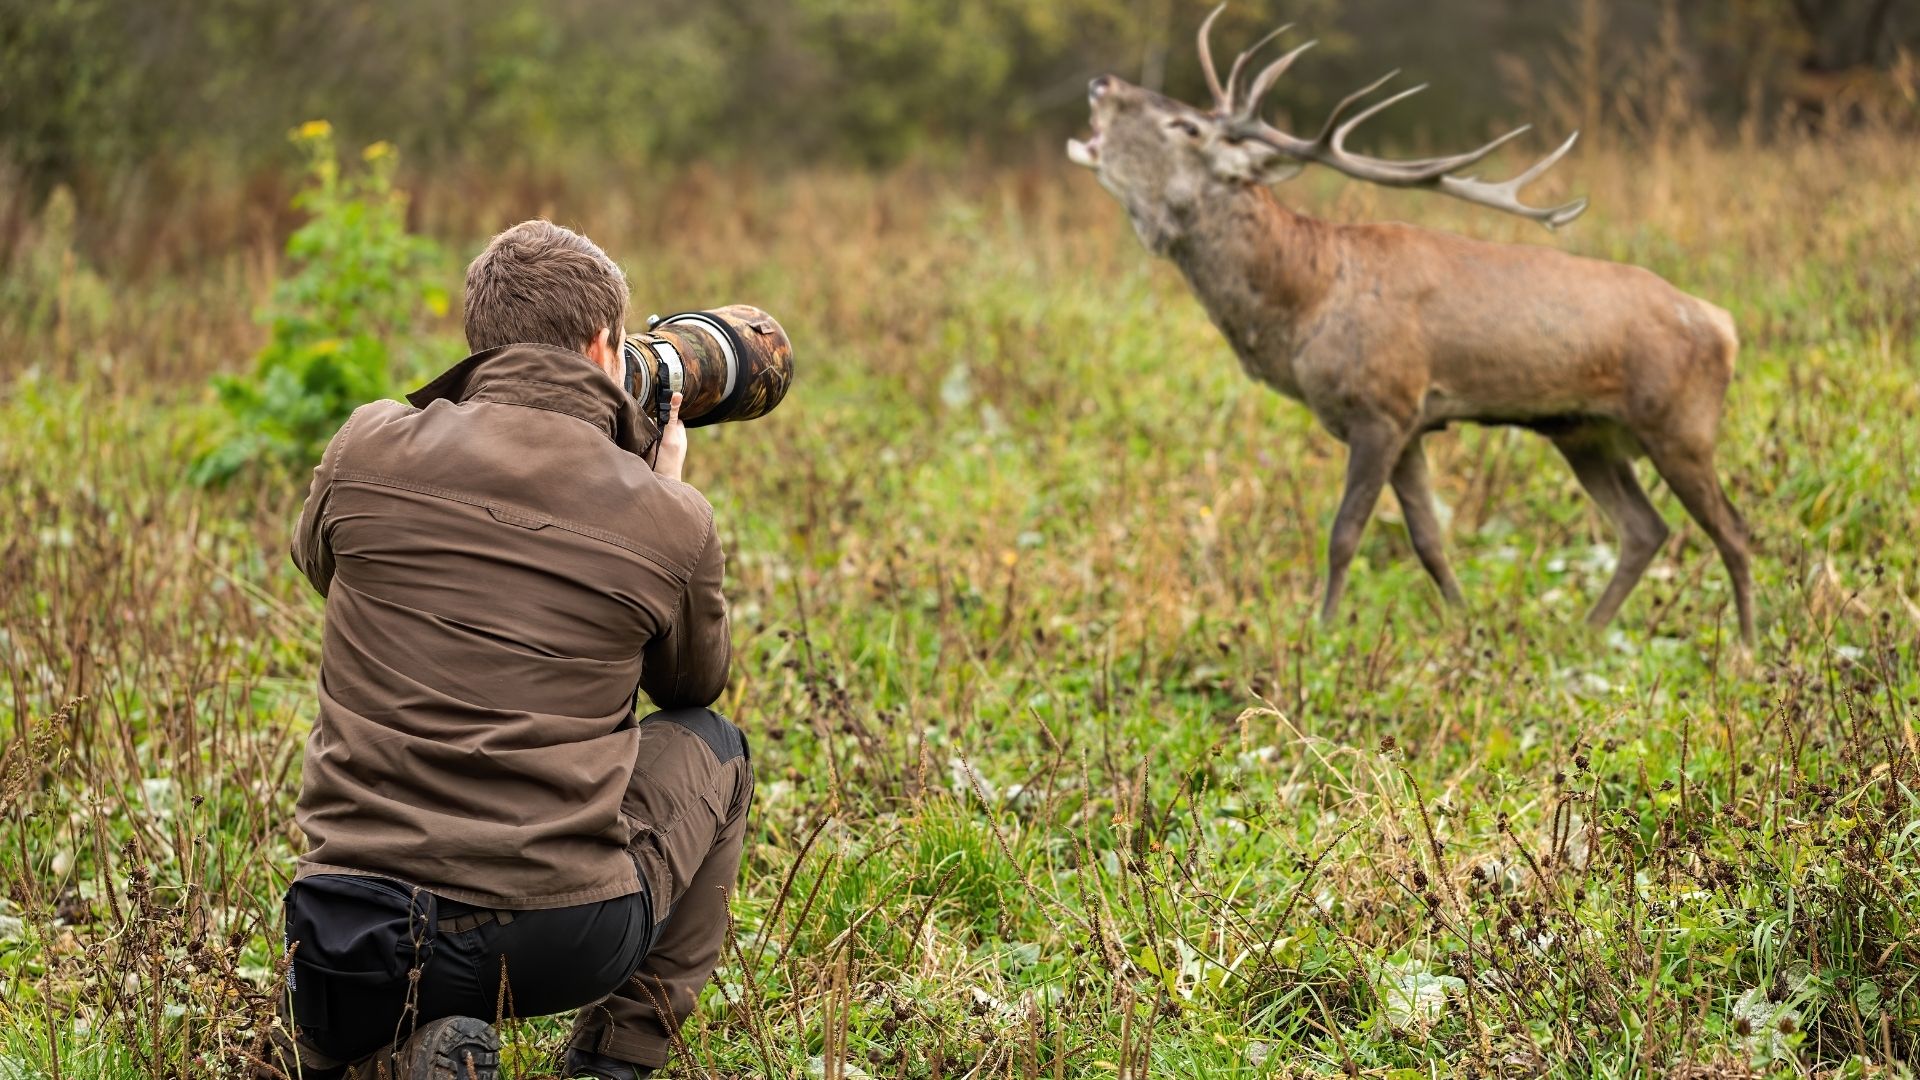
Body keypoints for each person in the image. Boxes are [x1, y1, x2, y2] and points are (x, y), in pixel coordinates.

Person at [263, 220, 753, 1080]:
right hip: (549, 938)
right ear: (606, 343)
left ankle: (380, 1057)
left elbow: (322, 564)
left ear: (477, 339)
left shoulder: (363, 447)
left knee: (336, 1041)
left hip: (344, 923)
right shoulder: (665, 516)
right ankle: (613, 1063)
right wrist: (657, 494)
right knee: (717, 746)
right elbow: (691, 684)